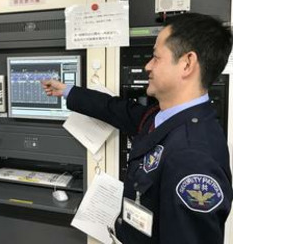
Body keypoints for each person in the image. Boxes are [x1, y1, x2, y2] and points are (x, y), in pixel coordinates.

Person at [42, 13, 233, 243]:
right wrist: (67, 91)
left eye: (156, 57)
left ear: (187, 64)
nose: (147, 66)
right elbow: (115, 109)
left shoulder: (193, 155)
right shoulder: (164, 117)